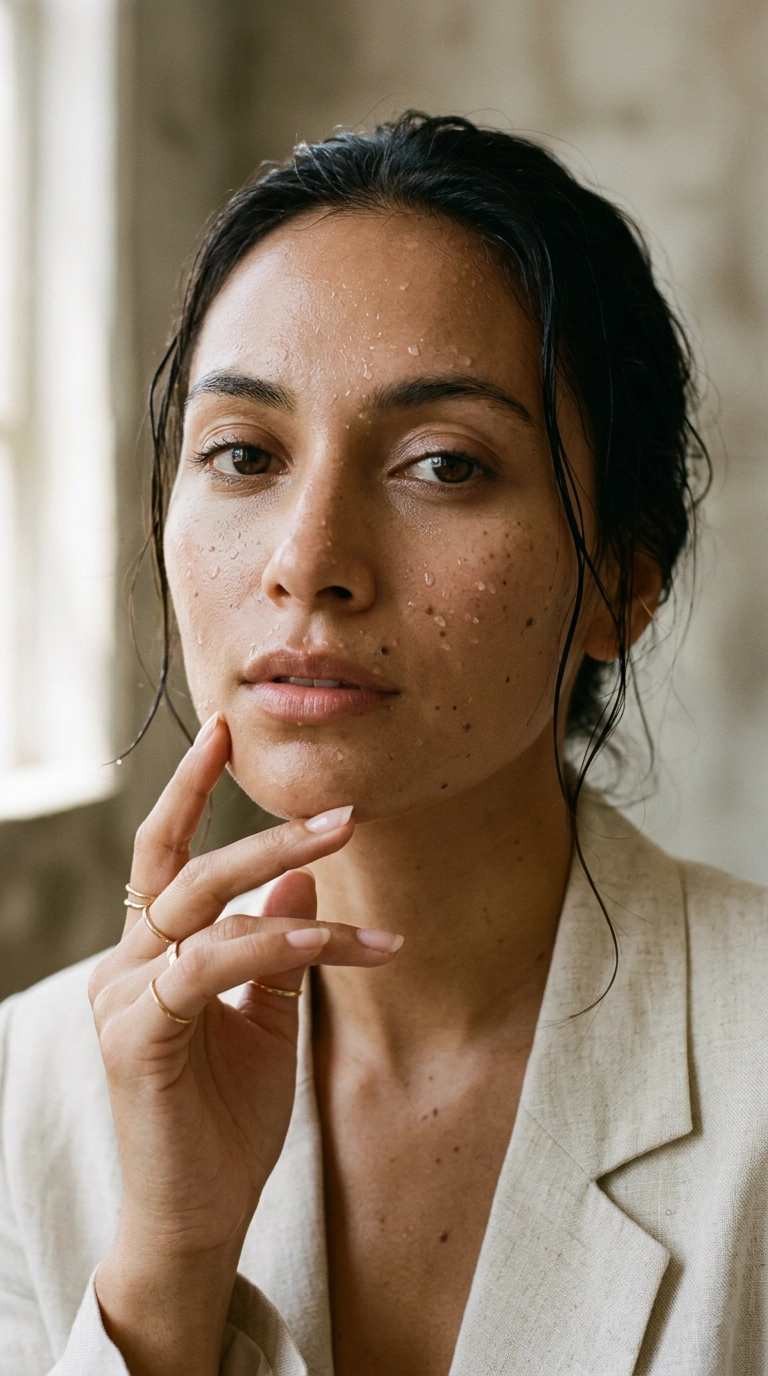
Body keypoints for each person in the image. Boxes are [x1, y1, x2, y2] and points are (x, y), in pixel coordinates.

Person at [0, 112, 765, 1376]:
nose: (308, 560)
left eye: (444, 465)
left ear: (623, 580)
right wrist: (170, 1267)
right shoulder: (33, 1091)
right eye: (243, 453)